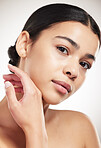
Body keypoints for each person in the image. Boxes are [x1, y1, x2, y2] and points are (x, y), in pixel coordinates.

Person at [0, 3, 100, 148]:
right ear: (24, 45)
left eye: (84, 64)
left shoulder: (81, 129)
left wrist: (36, 130)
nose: (74, 71)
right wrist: (35, 131)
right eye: (62, 49)